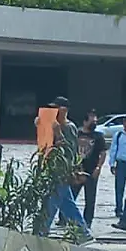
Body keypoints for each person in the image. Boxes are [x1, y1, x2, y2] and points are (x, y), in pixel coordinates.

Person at [38, 97, 92, 243]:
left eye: (57, 108)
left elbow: (70, 150)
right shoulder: (52, 124)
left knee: (52, 200)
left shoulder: (69, 127)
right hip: (51, 168)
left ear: (65, 110)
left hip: (62, 169)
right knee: (66, 203)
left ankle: (41, 231)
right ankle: (82, 231)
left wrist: (58, 133)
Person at [70, 110, 107, 226]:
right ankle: (66, 219)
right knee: (71, 196)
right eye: (92, 121)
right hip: (77, 170)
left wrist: (98, 168)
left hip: (91, 171)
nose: (94, 124)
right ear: (85, 122)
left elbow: (103, 153)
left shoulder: (98, 136)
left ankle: (87, 222)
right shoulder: (76, 134)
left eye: (95, 121)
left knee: (90, 199)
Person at [108, 116, 126, 220]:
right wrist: (112, 164)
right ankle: (119, 209)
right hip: (121, 163)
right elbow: (113, 149)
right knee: (119, 188)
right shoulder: (119, 135)